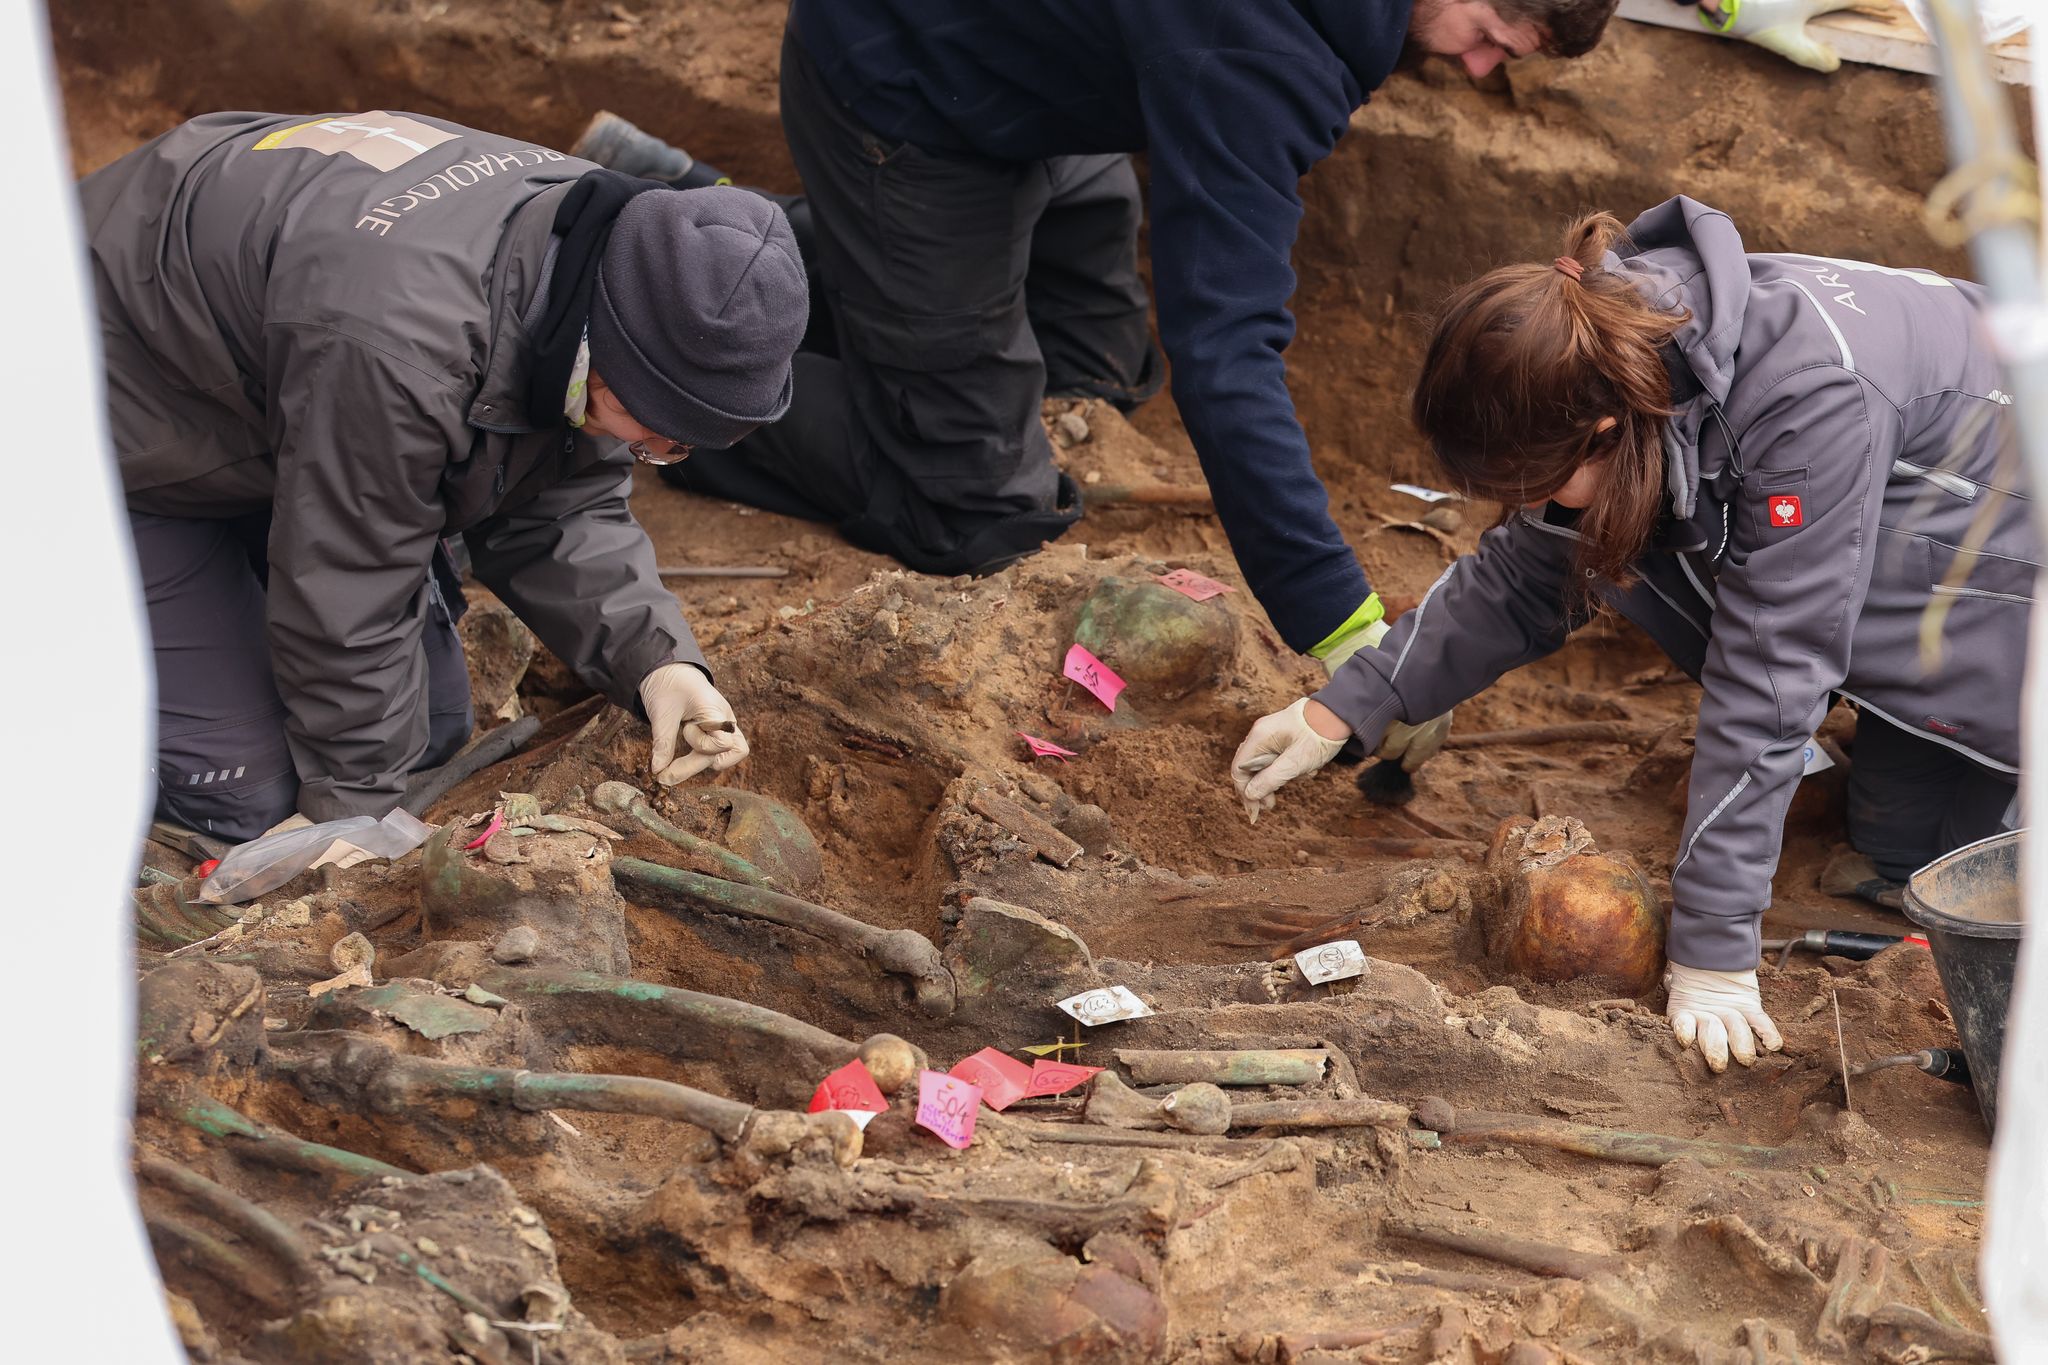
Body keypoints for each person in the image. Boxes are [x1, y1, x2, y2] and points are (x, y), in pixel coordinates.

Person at [574, 0, 1618, 749]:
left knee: (1095, 377)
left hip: (1048, 73)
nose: (1480, 69)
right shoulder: (1259, 48)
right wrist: (1339, 622)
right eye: (1488, 34)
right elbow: (1222, 345)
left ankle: (706, 230)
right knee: (976, 513)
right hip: (904, 86)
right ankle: (670, 348)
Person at [1230, 196, 2032, 1074]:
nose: (1534, 504)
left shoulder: (1804, 401)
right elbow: (1526, 571)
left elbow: (1771, 674)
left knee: (1983, 890)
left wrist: (1717, 952)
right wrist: (1339, 709)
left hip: (2012, 557)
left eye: (1543, 479)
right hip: (1921, 539)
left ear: (1606, 433)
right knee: (1898, 847)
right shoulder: (1605, 359)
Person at [81, 110, 809, 841]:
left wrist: (659, 661)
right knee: (252, 793)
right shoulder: (402, 346)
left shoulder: (601, 253)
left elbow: (557, 504)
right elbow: (347, 567)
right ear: (604, 347)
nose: (651, 449)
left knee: (430, 726)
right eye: (650, 431)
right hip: (96, 429)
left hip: (251, 401)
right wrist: (350, 813)